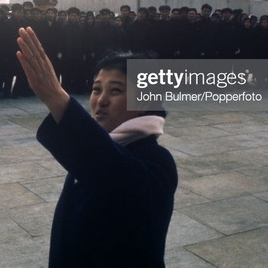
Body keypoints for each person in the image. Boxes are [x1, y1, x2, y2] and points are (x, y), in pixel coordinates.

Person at [16, 27, 177, 267]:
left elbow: (114, 173)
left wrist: (57, 98)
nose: (101, 100)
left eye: (116, 91)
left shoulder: (156, 161)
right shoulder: (101, 146)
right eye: (96, 89)